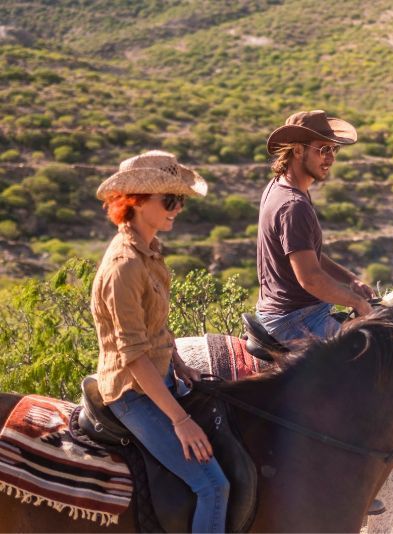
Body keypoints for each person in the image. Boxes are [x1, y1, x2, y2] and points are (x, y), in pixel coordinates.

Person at [91, 150, 229, 532]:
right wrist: (181, 420)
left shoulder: (149, 252)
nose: (177, 209)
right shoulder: (124, 266)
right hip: (132, 392)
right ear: (134, 202)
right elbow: (133, 356)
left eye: (180, 200)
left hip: (160, 377)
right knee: (213, 486)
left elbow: (156, 330)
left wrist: (181, 364)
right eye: (169, 200)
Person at [256, 110, 376, 345]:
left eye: (333, 150)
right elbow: (310, 278)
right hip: (294, 319)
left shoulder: (280, 186)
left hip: (293, 311)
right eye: (323, 149)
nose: (330, 158)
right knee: (372, 352)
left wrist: (351, 280)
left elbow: (309, 256)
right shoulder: (293, 206)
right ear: (298, 150)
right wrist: (358, 303)